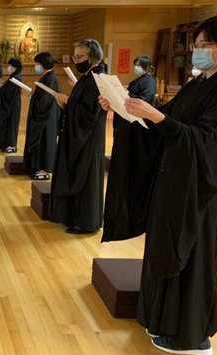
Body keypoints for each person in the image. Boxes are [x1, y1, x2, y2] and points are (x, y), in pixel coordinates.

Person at [99, 14, 217, 355]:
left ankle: (191, 336)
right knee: (165, 250)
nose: (196, 51)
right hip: (173, 183)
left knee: (191, 259)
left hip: (197, 191)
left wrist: (156, 116)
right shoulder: (197, 83)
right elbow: (165, 121)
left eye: (203, 45)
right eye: (195, 45)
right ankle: (161, 319)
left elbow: (207, 141)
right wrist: (125, 110)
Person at [50, 39, 108, 234]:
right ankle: (73, 216)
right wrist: (67, 105)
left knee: (87, 176)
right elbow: (81, 105)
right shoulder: (87, 77)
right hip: (80, 135)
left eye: (80, 56)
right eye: (75, 56)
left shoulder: (98, 78)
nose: (77, 60)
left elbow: (89, 114)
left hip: (89, 138)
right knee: (77, 172)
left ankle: (87, 222)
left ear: (93, 57)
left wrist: (68, 101)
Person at [102, 55, 157, 240]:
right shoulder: (139, 80)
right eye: (135, 65)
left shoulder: (149, 81)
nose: (137, 68)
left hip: (137, 126)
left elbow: (145, 100)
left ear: (147, 67)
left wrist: (126, 96)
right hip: (126, 123)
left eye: (139, 65)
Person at [23, 52, 60, 180]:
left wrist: (33, 97)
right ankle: (37, 166)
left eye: (37, 64)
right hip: (43, 115)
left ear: (43, 64)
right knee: (40, 142)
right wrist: (33, 93)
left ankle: (45, 169)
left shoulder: (50, 78)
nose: (36, 66)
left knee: (45, 142)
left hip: (46, 117)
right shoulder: (45, 77)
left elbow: (45, 100)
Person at [0, 57, 23, 153]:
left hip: (13, 105)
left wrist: (1, 86)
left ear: (15, 67)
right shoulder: (14, 75)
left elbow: (9, 93)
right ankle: (7, 143)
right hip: (12, 104)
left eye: (10, 66)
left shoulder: (16, 77)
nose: (8, 67)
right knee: (9, 124)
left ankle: (12, 145)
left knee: (12, 124)